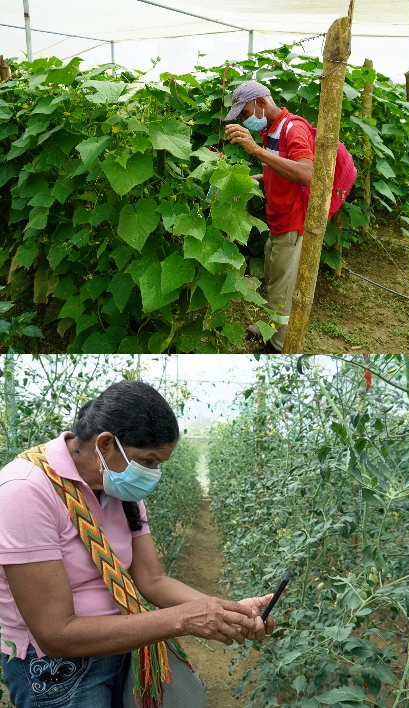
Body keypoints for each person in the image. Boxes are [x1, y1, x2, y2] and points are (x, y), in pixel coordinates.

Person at [0, 381, 276, 706]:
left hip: (124, 646)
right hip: (56, 673)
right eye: (148, 461)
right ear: (105, 444)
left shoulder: (117, 488)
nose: (153, 473)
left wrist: (230, 611)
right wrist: (183, 619)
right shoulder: (24, 492)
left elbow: (152, 579)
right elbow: (56, 633)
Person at [223, 80, 315, 354]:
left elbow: (307, 174)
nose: (244, 119)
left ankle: (277, 347)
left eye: (244, 113)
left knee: (284, 289)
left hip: (293, 221)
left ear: (261, 103)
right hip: (276, 219)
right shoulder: (270, 131)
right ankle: (269, 327)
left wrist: (256, 151)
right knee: (273, 280)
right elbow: (278, 171)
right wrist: (246, 180)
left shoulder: (293, 128)